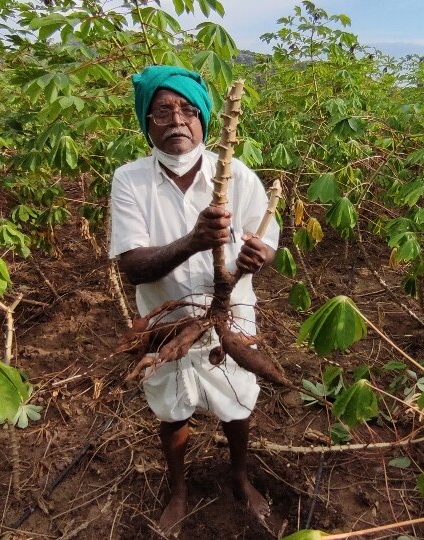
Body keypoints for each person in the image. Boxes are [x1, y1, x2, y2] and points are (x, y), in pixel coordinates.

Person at [108, 65, 280, 533]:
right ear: (146, 123)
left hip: (232, 316)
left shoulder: (238, 176)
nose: (177, 120)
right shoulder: (130, 180)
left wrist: (258, 254)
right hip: (165, 322)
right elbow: (131, 263)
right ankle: (179, 489)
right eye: (162, 111)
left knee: (238, 403)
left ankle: (240, 477)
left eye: (188, 110)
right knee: (171, 407)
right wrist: (192, 241)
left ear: (205, 120)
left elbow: (268, 235)